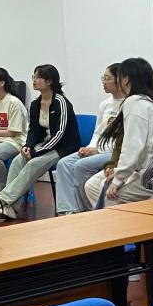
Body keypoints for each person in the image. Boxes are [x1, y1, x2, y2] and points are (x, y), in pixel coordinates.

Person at [0, 65, 81, 219]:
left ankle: (2, 200)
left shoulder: (61, 102)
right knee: (17, 161)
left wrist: (35, 152)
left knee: (33, 163)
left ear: (49, 81)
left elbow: (60, 134)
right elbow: (33, 130)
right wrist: (28, 146)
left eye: (38, 77)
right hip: (45, 144)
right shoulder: (35, 104)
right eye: (33, 76)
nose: (34, 80)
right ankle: (10, 208)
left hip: (64, 147)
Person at [84, 58, 153, 208]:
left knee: (111, 196)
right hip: (150, 169)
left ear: (126, 79)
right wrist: (118, 172)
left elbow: (132, 147)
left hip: (151, 172)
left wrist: (118, 179)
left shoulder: (135, 103)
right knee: (95, 185)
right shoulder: (148, 101)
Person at [54, 63, 124, 214]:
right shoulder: (105, 104)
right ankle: (68, 210)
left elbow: (122, 141)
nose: (104, 82)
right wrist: (90, 148)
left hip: (113, 152)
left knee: (81, 165)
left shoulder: (128, 105)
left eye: (108, 78)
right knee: (64, 163)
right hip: (98, 148)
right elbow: (98, 133)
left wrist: (97, 151)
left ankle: (87, 209)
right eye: (103, 78)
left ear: (120, 80)